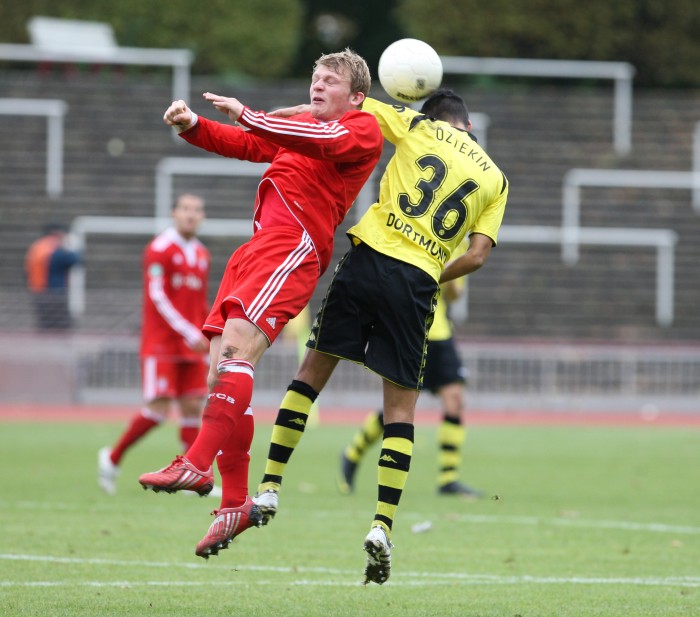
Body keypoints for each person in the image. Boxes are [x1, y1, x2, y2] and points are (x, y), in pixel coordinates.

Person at [252, 88, 508, 584]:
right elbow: (478, 255)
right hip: (417, 282)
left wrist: (271, 116)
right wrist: (432, 275)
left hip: (369, 258)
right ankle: (382, 525)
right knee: (401, 409)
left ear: (433, 116)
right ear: (469, 126)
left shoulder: (416, 125)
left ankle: (269, 486)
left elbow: (339, 109)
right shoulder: (496, 179)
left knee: (312, 372)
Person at [137, 49, 383, 560]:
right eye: (315, 78)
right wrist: (193, 126)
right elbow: (251, 142)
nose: (317, 86)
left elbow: (316, 139)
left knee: (237, 355)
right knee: (218, 374)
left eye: (330, 80)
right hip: (257, 248)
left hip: (293, 243)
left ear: (357, 96)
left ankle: (196, 463)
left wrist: (252, 114)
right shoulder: (301, 127)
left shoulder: (361, 129)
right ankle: (235, 503)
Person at [98, 193, 212, 496]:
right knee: (160, 407)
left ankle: (192, 475)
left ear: (202, 217)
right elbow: (157, 296)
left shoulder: (201, 253)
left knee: (192, 405)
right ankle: (112, 458)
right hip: (163, 343)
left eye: (197, 210)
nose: (191, 214)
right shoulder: (160, 248)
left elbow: (199, 301)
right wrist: (188, 331)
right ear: (174, 213)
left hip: (192, 343)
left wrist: (207, 332)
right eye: (185, 209)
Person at [338, 274, 485, 498]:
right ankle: (353, 453)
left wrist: (451, 279)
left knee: (454, 399)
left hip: (441, 334)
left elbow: (454, 295)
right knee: (399, 406)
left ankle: (448, 479)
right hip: (411, 330)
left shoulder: (458, 252)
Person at [24, 223, 81, 331]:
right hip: (53, 291)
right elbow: (73, 260)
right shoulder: (54, 247)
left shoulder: (37, 246)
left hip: (37, 290)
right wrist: (70, 247)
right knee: (60, 326)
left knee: (44, 324)